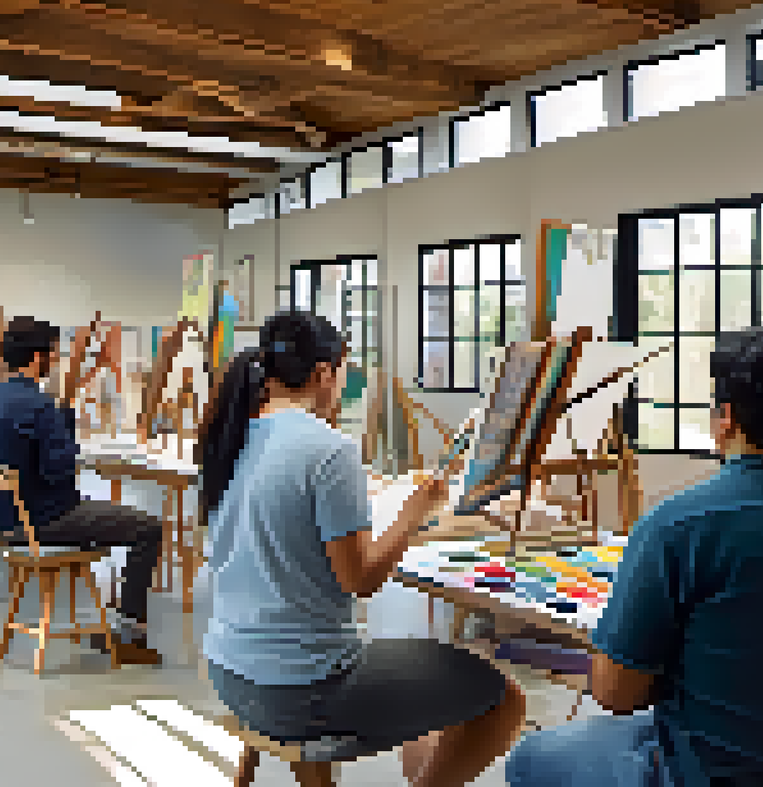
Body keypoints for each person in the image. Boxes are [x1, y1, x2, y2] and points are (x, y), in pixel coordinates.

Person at [507, 327, 763, 787]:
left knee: (531, 755)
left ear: (726, 418)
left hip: (708, 774)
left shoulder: (680, 524)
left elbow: (615, 693)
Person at [200, 310, 526, 787]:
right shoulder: (328, 448)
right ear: (322, 373)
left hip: (230, 672)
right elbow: (361, 580)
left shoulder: (228, 437)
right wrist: (416, 512)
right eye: (342, 377)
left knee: (419, 669)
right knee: (505, 698)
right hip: (300, 690)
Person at [0, 316, 163, 665]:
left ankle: (117, 620)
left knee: (108, 516)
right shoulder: (39, 405)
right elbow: (58, 472)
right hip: (45, 519)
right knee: (147, 527)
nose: (54, 360)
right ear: (36, 357)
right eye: (51, 354)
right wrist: (69, 441)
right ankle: (129, 635)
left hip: (8, 521)